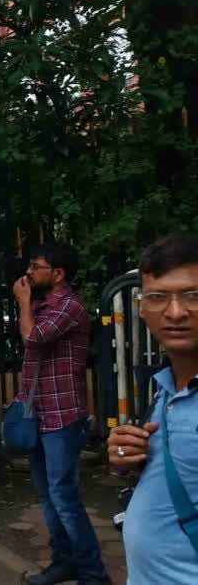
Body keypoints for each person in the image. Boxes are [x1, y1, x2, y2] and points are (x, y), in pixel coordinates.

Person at [12, 244, 109, 585]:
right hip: (37, 413)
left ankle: (94, 574)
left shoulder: (70, 307)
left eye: (36, 267)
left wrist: (23, 303)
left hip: (63, 416)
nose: (28, 272)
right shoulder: (43, 305)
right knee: (47, 495)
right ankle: (63, 561)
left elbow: (33, 339)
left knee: (64, 496)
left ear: (58, 274)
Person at [109, 235, 198, 584]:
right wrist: (125, 457)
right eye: (159, 298)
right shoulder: (165, 386)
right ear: (143, 308)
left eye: (193, 295)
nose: (175, 312)